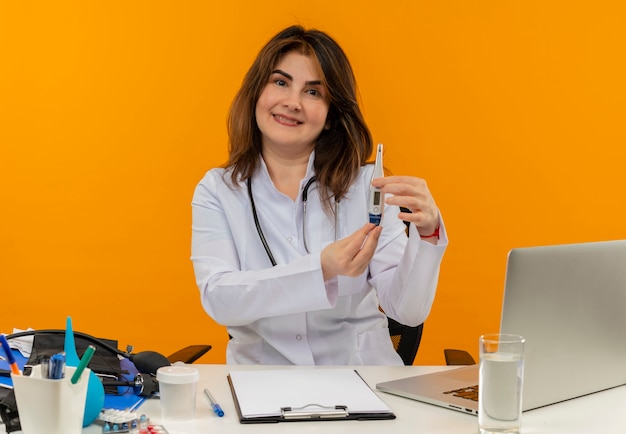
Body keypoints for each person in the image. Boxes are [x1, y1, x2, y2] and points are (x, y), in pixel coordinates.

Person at [191, 25, 447, 365]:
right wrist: (321, 267)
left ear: (330, 116)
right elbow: (219, 297)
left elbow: (408, 310)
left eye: (313, 93)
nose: (292, 102)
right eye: (280, 82)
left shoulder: (366, 185)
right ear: (257, 94)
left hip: (363, 381)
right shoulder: (218, 190)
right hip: (264, 386)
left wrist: (427, 234)